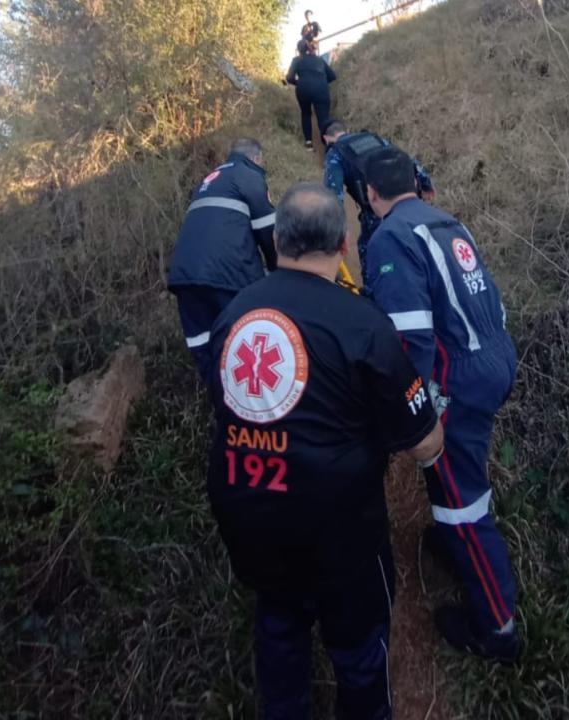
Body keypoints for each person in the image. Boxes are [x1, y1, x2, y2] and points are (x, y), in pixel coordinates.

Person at [206, 182, 445, 719]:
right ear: (342, 245)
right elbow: (425, 439)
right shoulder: (363, 322)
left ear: (276, 243)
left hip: (247, 513)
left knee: (279, 628)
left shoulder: (233, 316)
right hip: (340, 531)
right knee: (360, 653)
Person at [360, 147, 523, 664]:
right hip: (494, 356)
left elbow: (411, 342)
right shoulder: (448, 223)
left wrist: (403, 414)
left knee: (462, 506)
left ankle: (497, 630)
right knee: (461, 475)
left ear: (369, 194)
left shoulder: (390, 238)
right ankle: (454, 540)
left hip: (459, 379)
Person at [166, 138, 276, 382]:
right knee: (247, 338)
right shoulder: (249, 175)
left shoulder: (208, 180)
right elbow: (268, 230)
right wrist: (280, 273)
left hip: (185, 276)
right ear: (256, 158)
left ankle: (218, 400)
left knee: (204, 342)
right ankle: (250, 403)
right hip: (229, 274)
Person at [321, 122, 434, 273]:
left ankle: (372, 290)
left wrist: (333, 232)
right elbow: (406, 158)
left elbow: (334, 197)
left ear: (327, 139)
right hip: (408, 201)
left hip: (377, 209)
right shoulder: (373, 138)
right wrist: (426, 184)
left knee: (370, 254)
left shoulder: (335, 152)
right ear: (347, 131)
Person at [285, 40, 336, 151]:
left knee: (306, 114)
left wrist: (299, 83)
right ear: (310, 48)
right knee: (323, 117)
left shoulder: (296, 60)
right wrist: (320, 81)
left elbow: (289, 78)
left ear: (299, 50)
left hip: (303, 89)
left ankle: (309, 143)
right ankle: (328, 145)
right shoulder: (320, 60)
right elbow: (333, 76)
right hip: (321, 89)